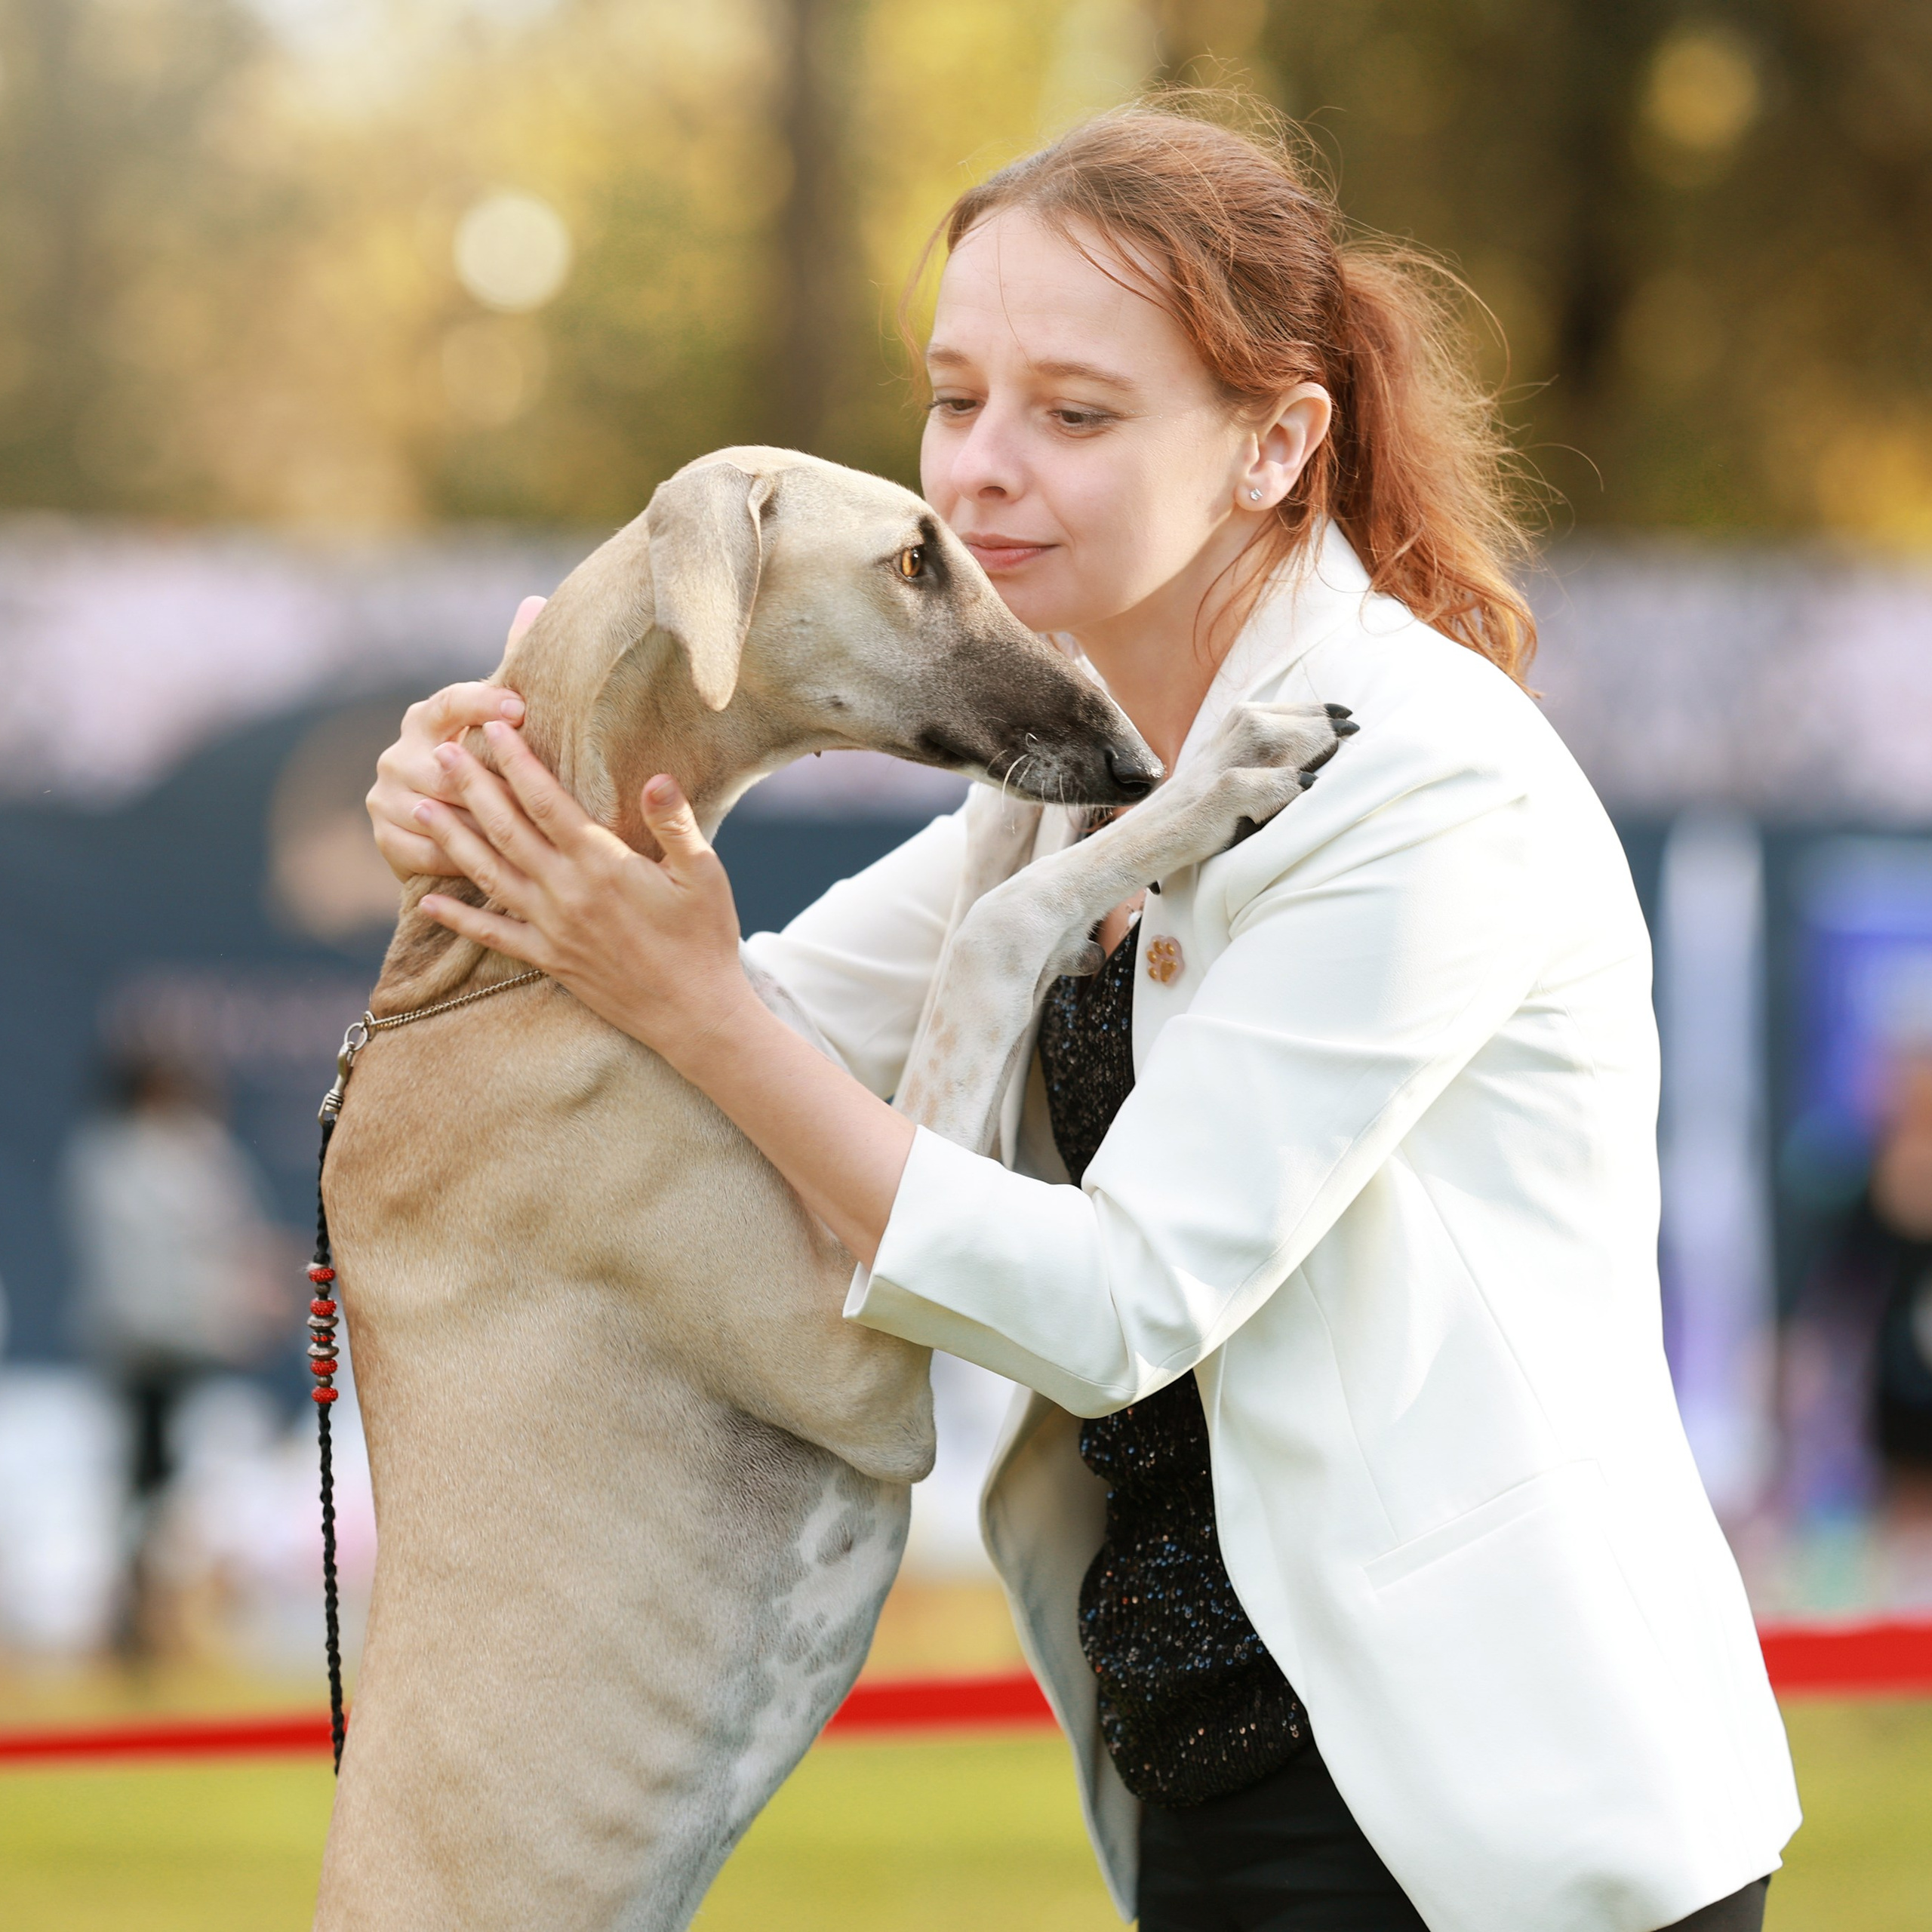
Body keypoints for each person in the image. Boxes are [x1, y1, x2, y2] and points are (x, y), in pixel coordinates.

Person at [367, 103, 1795, 1932]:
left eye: (1072, 411)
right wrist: (486, 794)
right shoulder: (1053, 794)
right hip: (1199, 1768)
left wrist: (691, 999)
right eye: (953, 397)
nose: (976, 467)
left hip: (1487, 1821)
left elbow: (1115, 1298)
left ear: (1276, 445)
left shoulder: (1430, 786)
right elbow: (698, 1034)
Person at [62, 1051, 287, 1657]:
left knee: (185, 1488)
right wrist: (225, 1312)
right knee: (148, 1488)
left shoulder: (189, 1153)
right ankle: (140, 1616)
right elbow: (148, 1276)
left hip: (197, 1348)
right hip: (155, 1348)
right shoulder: (126, 1158)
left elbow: (240, 1248)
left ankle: (177, 1616)